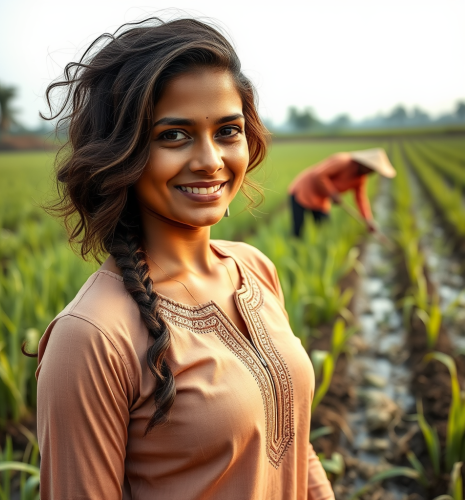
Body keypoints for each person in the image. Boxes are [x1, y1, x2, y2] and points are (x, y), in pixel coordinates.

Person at [34, 18, 335, 500]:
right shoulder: (92, 337)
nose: (210, 160)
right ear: (123, 152)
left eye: (228, 131)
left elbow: (296, 441)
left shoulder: (253, 269)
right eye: (174, 135)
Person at [288, 148, 396, 237]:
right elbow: (319, 175)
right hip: (303, 191)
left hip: (321, 199)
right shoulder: (343, 161)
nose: (371, 173)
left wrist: (368, 220)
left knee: (325, 229)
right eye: (371, 169)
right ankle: (295, 249)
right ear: (366, 164)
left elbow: (360, 199)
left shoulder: (360, 178)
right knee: (298, 230)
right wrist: (333, 193)